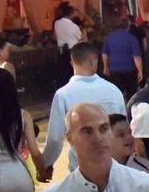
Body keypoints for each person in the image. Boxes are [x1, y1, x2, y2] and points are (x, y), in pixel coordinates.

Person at [40, 43, 127, 175]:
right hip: (114, 166)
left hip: (81, 168)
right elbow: (123, 129)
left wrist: (46, 164)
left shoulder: (63, 94)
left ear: (72, 63)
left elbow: (55, 139)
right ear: (94, 61)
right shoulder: (114, 90)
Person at [101, 17, 144, 98]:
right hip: (130, 69)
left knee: (117, 93)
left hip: (114, 69)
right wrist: (140, 71)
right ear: (128, 26)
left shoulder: (110, 37)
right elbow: (136, 56)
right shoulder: (132, 38)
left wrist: (106, 67)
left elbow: (104, 53)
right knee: (131, 93)